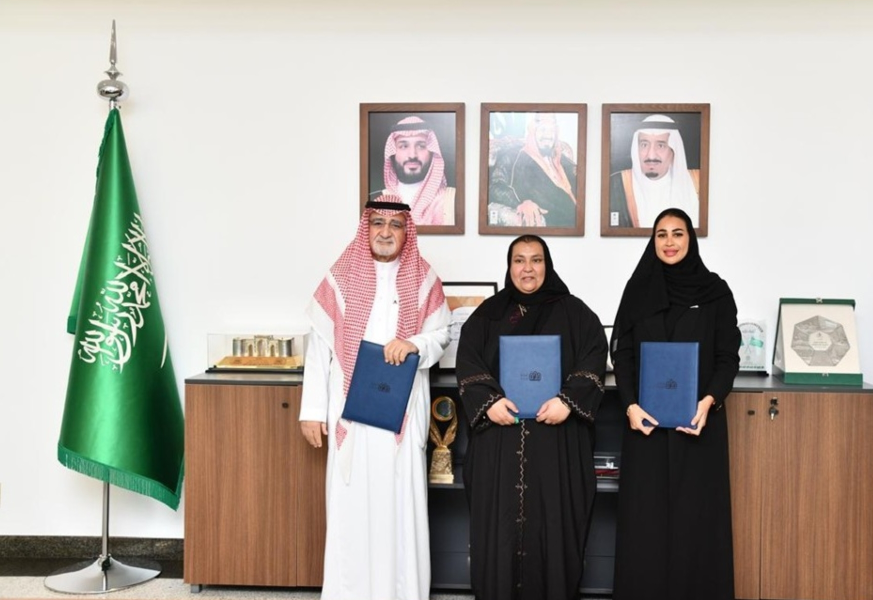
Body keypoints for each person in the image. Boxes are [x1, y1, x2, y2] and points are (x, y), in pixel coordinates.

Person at [299, 196, 451, 600]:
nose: (385, 232)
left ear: (406, 231)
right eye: (378, 223)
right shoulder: (340, 278)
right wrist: (312, 411)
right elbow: (319, 349)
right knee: (351, 507)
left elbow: (442, 335)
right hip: (350, 415)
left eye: (395, 225)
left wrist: (414, 343)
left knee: (398, 508)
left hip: (401, 415)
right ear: (366, 227)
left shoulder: (424, 280)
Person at [456, 235, 607, 600]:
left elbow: (594, 354)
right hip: (499, 441)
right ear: (509, 267)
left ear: (547, 265)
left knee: (554, 529)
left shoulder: (575, 313)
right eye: (519, 260)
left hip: (556, 444)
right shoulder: (488, 314)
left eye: (536, 260)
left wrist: (568, 401)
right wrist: (489, 402)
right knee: (499, 533)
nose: (528, 269)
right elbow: (468, 359)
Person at [610, 208, 740, 600]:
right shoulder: (638, 290)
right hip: (645, 428)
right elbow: (623, 354)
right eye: (661, 234)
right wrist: (630, 406)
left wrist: (709, 401)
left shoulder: (715, 292)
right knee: (645, 524)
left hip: (697, 426)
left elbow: (727, 357)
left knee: (695, 524)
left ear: (690, 239)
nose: (669, 242)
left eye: (678, 233)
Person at [608, 115, 700, 229]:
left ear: (673, 150)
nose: (651, 155)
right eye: (644, 145)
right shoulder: (616, 184)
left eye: (660, 145)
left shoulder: (697, 182)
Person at [488, 113, 578, 228]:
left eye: (551, 130)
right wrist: (522, 203)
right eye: (543, 129)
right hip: (553, 226)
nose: (548, 135)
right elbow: (495, 186)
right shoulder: (514, 156)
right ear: (533, 131)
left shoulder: (559, 157)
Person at [377, 116, 457, 226]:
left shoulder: (453, 200)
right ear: (393, 153)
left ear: (432, 152)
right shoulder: (377, 200)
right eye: (403, 146)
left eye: (421, 146)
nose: (412, 155)